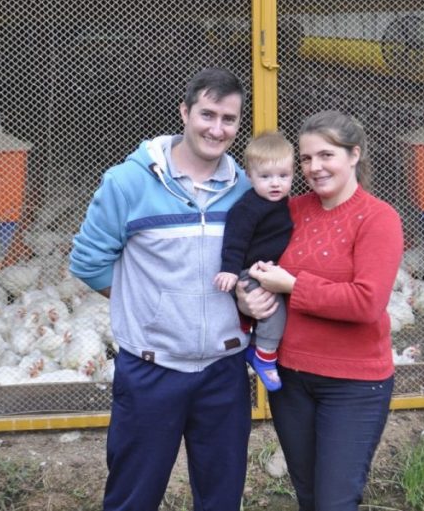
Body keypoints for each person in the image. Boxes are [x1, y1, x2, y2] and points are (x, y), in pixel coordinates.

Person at [69, 66, 253, 511]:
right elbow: (88, 261)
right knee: (133, 498)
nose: (217, 129)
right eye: (207, 115)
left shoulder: (245, 189)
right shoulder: (128, 182)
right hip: (151, 369)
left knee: (222, 499)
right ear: (184, 112)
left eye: (228, 119)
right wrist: (150, 306)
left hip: (224, 369)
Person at [237, 110, 403, 511]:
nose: (315, 167)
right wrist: (245, 299)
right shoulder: (290, 210)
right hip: (291, 379)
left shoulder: (378, 218)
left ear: (354, 155)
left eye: (326, 155)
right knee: (310, 496)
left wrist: (293, 286)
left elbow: (366, 303)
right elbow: (253, 265)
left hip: (353, 385)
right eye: (307, 158)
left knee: (334, 502)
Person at [213, 131, 294, 391]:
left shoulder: (285, 203)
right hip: (251, 271)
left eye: (283, 176)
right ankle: (264, 356)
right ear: (249, 176)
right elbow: (235, 241)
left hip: (270, 270)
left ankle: (257, 346)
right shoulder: (247, 207)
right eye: (265, 177)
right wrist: (230, 270)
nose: (275, 183)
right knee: (273, 310)